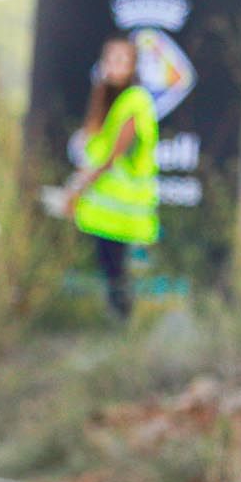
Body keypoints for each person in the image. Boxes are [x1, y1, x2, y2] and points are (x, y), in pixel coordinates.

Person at [65, 35, 158, 320]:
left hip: (125, 211)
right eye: (110, 59)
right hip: (104, 211)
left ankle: (127, 326)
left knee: (120, 274)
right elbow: (92, 146)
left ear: (133, 66)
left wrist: (78, 189)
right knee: (110, 271)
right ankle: (119, 323)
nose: (115, 66)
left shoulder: (136, 100)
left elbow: (113, 156)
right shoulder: (105, 99)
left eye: (122, 59)